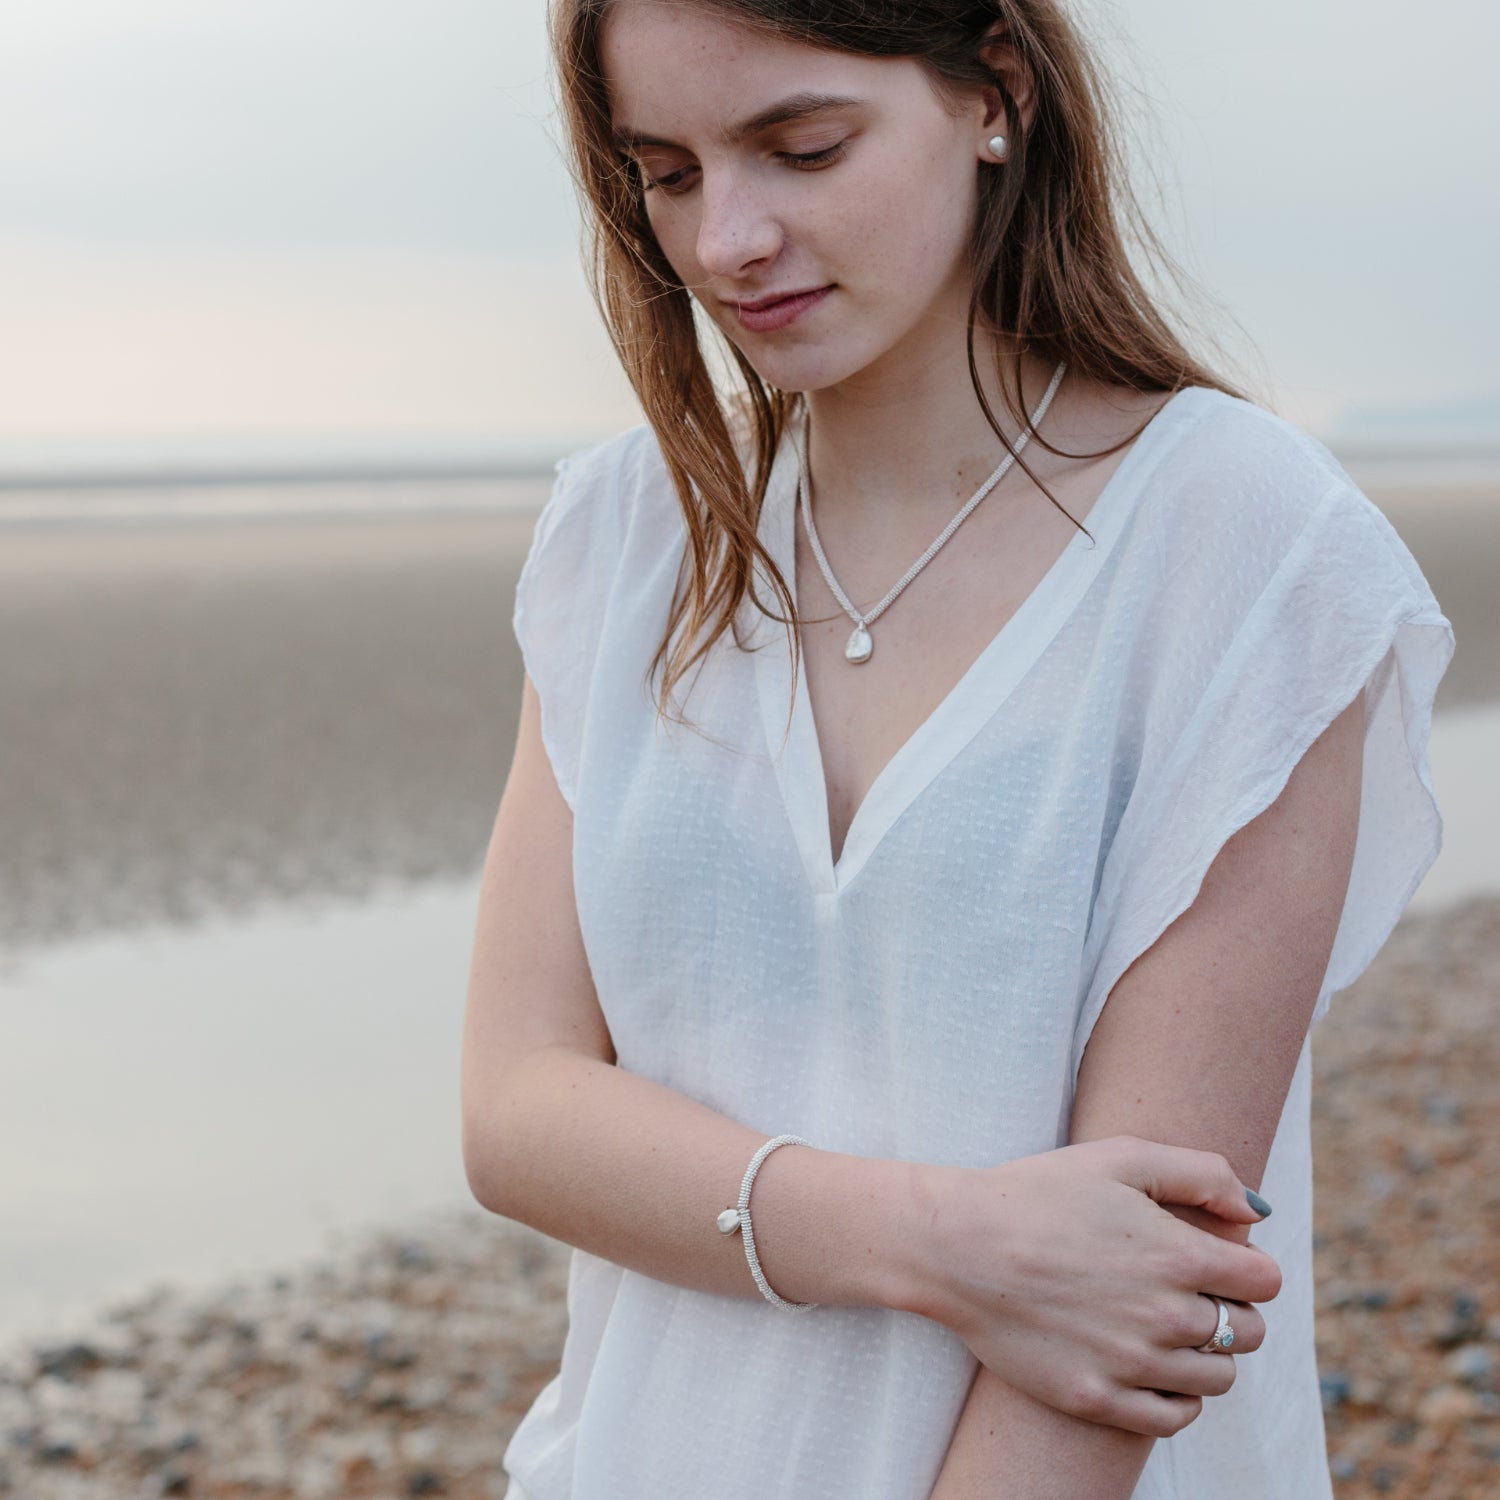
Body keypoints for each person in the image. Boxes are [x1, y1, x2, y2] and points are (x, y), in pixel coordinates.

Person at [459, 0, 1454, 1494]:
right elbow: (516, 1112)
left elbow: (1148, 1286)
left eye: (802, 148)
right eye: (666, 174)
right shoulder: (629, 534)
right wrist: (948, 1242)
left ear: (995, 91)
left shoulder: (1248, 553)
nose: (729, 238)